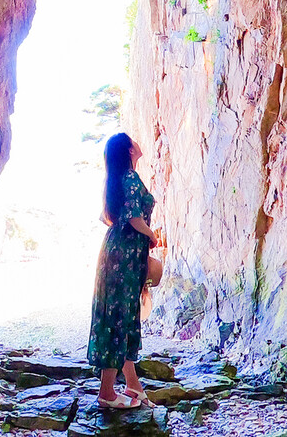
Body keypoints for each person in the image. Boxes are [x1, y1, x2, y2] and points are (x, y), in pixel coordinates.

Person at [87, 132, 158, 409]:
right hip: (125, 255)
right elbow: (134, 217)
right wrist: (151, 236)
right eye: (134, 140)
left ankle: (132, 384)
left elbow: (110, 218)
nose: (139, 143)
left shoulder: (115, 179)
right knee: (120, 316)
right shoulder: (129, 177)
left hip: (116, 251)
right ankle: (106, 393)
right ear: (130, 150)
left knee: (123, 315)